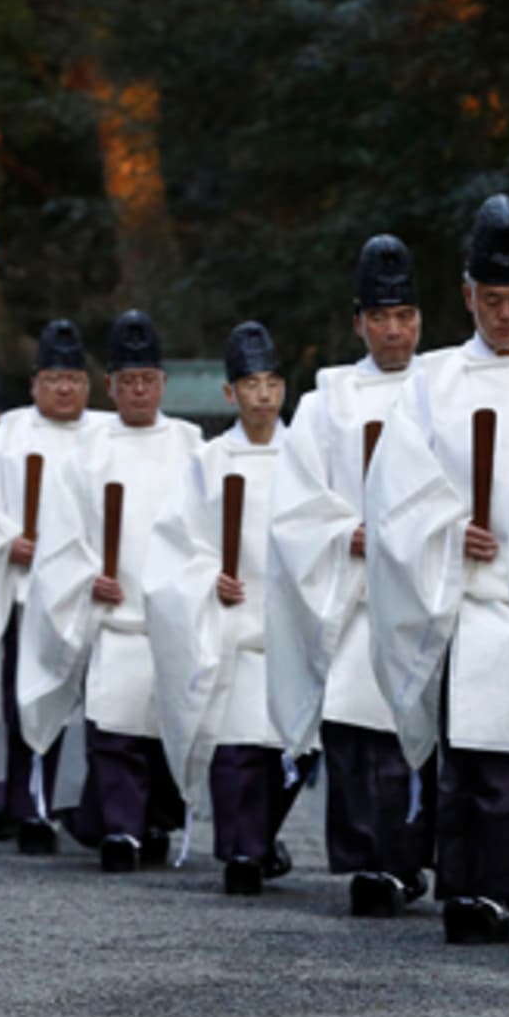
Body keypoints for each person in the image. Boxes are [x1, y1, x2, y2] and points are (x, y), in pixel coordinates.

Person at [367, 194, 509, 944]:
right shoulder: (433, 383)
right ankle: (469, 889)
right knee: (475, 752)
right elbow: (395, 490)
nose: (505, 314)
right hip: (469, 593)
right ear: (467, 296)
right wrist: (447, 529)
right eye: (491, 300)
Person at [268, 235, 435, 916]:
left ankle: (409, 859)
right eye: (380, 316)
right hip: (351, 588)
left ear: (422, 318)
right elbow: (298, 500)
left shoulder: (443, 386)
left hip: (423, 592)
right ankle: (369, 860)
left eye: (405, 315)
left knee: (410, 732)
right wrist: (344, 532)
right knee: (354, 733)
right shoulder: (327, 399)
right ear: (358, 321)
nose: (393, 330)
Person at [21, 310, 200, 872]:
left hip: (174, 613)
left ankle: (154, 822)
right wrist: (85, 577)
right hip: (116, 612)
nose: (140, 390)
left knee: (166, 726)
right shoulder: (89, 452)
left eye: (148, 379)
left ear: (163, 383)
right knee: (115, 726)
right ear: (112, 386)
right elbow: (63, 534)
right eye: (128, 381)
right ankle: (120, 829)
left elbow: (209, 523)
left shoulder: (192, 445)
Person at [148, 321, 308, 894]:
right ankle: (242, 853)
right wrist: (207, 578)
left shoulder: (307, 456)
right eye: (250, 384)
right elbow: (175, 540)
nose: (262, 394)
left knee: (289, 748)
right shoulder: (208, 462)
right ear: (229, 394)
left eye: (271, 382)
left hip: (294, 622)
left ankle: (262, 841)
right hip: (236, 623)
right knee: (239, 744)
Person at [0, 321, 107, 854]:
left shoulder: (108, 434)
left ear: (89, 384)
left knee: (102, 707)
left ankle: (101, 811)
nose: (65, 389)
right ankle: (27, 805)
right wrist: (5, 543)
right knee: (29, 700)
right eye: (55, 378)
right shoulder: (5, 437)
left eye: (75, 378)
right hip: (24, 592)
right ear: (35, 382)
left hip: (93, 595)